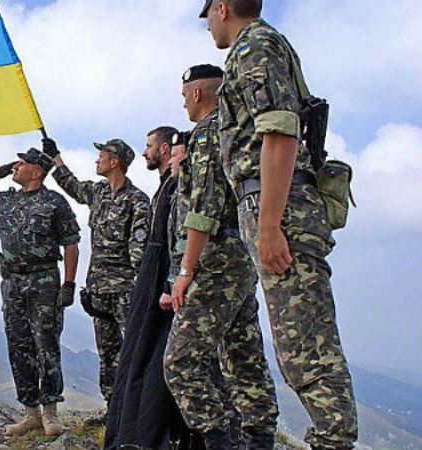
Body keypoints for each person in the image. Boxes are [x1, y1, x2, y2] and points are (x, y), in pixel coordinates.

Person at [202, 1, 358, 448]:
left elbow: (280, 132)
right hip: (272, 205)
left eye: (207, 14)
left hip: (279, 208)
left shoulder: (256, 46)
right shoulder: (258, 47)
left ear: (222, 7)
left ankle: (333, 442)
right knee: (298, 348)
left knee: (306, 347)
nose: (208, 25)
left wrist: (269, 225)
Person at [163, 64, 278, 449]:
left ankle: (219, 441)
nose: (183, 104)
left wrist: (185, 270)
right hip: (241, 255)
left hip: (215, 259)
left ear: (197, 93)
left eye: (184, 96)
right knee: (243, 357)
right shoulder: (236, 129)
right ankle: (259, 439)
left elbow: (204, 209)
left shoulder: (207, 134)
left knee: (180, 363)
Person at [0, 148, 80, 437]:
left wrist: (69, 284)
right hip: (13, 282)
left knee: (46, 345)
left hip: (44, 280)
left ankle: (50, 412)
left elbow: (71, 243)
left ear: (37, 171)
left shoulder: (54, 202)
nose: (16, 166)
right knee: (19, 346)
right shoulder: (5, 200)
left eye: (22, 163)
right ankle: (31, 413)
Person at [103, 127, 207, 450]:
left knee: (160, 360)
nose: (145, 152)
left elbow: (180, 239)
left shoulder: (179, 190)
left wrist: (170, 280)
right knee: (138, 356)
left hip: (163, 279)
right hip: (153, 278)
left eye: (150, 146)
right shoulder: (166, 188)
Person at [44, 138, 150, 424]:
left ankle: (139, 413)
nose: (97, 159)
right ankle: (113, 411)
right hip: (99, 290)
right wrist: (55, 157)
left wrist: (143, 288)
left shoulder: (137, 200)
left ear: (115, 161)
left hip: (126, 290)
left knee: (135, 349)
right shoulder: (98, 192)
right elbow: (71, 185)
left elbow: (139, 250)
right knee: (108, 352)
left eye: (101, 155)